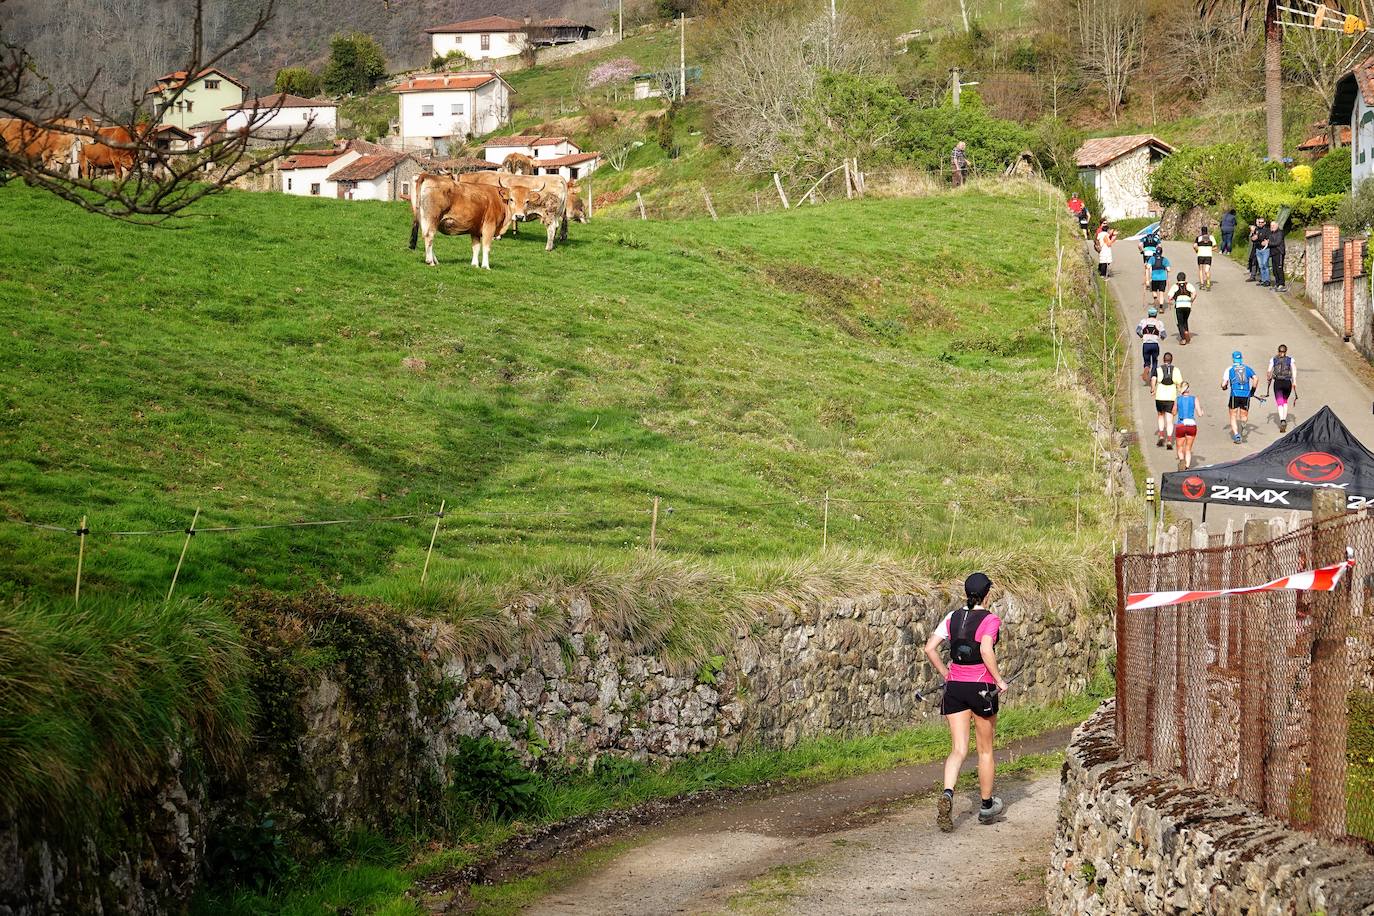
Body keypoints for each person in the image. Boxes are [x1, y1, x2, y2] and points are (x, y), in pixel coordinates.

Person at [925, 572, 1007, 832]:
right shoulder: (991, 620)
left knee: (958, 749)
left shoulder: (952, 617)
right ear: (987, 594)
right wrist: (1000, 681)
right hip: (981, 688)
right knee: (985, 750)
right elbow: (985, 649)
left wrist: (946, 674)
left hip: (955, 688)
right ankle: (986, 806)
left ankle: (948, 793)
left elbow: (930, 648)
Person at [1221, 350, 1258, 444]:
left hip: (1235, 394)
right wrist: (1252, 391)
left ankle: (1237, 435)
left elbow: (1223, 384)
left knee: (1233, 415)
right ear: (1241, 358)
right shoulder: (1247, 368)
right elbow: (1256, 378)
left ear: (1233, 359)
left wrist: (1224, 387)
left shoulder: (1229, 369)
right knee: (1244, 414)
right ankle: (1244, 425)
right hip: (1246, 394)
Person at [1152, 351, 1182, 449]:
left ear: (1163, 360)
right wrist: (1180, 392)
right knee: (1169, 420)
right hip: (1170, 398)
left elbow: (1153, 379)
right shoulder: (1176, 370)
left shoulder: (1158, 369)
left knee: (1160, 416)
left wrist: (1152, 388)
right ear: (1171, 360)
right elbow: (1179, 384)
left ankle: (1161, 435)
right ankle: (1169, 440)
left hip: (1160, 397)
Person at [1266, 344, 1298, 433]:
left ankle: (1282, 420)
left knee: (1280, 402)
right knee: (1285, 401)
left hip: (1278, 383)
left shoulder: (1273, 360)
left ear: (1278, 351)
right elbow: (1294, 370)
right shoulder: (1291, 360)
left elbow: (1269, 371)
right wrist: (1294, 382)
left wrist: (1268, 378)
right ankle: (1284, 419)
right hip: (1287, 383)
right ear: (1286, 352)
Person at [1173, 381, 1203, 471]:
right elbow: (1200, 414)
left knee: (1179, 447)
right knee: (1188, 448)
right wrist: (1202, 410)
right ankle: (1187, 467)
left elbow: (1174, 412)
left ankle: (1182, 460)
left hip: (1181, 424)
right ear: (1188, 389)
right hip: (1191, 425)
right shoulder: (1194, 399)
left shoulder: (1177, 399)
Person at [1137, 307, 1166, 384]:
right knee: (1155, 361)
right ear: (1156, 315)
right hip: (1155, 344)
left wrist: (1141, 336)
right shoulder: (1159, 322)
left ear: (1148, 314)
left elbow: (1138, 330)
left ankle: (1146, 368)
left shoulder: (1143, 321)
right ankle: (1153, 377)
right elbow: (1163, 334)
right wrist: (1162, 337)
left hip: (1146, 344)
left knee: (1147, 361)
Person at [1169, 271, 1196, 344]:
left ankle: (1183, 338)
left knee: (1179, 322)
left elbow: (1170, 296)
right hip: (1188, 305)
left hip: (1179, 305)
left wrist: (1171, 299)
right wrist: (1191, 300)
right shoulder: (1189, 285)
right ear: (1185, 278)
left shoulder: (1175, 286)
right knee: (1185, 320)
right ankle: (1186, 331)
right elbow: (1194, 293)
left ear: (1177, 279)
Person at [1139, 229, 1162, 294]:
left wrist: (1141, 250)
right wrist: (1159, 252)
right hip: (1154, 252)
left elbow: (1139, 245)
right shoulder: (1156, 238)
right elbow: (1159, 246)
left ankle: (1147, 282)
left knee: (1146, 267)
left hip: (1146, 253)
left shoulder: (1144, 238)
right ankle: (1152, 279)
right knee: (1153, 266)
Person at [1194, 226, 1216, 290]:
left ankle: (1201, 283)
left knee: (1201, 269)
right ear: (1207, 231)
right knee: (1207, 270)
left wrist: (1196, 251)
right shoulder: (1211, 237)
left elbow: (1194, 246)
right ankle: (1208, 283)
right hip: (1208, 256)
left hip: (1200, 255)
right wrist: (1210, 249)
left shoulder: (1198, 238)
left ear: (1201, 231)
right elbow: (1215, 247)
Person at [1248, 217, 1269, 282]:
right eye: (1259, 222)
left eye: (1261, 222)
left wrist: (1257, 237)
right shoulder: (1256, 229)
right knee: (1259, 264)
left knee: (1264, 264)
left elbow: (1265, 238)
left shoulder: (1267, 230)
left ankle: (1266, 280)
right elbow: (1252, 237)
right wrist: (1252, 236)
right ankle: (1261, 279)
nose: (1260, 223)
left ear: (1264, 223)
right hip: (1256, 248)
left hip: (1264, 249)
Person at [1268, 219, 1287, 292]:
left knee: (1279, 269)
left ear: (1277, 226)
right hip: (1273, 253)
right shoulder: (1271, 233)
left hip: (1279, 253)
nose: (1272, 227)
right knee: (1274, 270)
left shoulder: (1280, 233)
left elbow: (1277, 242)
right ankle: (1277, 283)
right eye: (1271, 226)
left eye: (1273, 225)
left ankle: (1281, 284)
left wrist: (1268, 243)